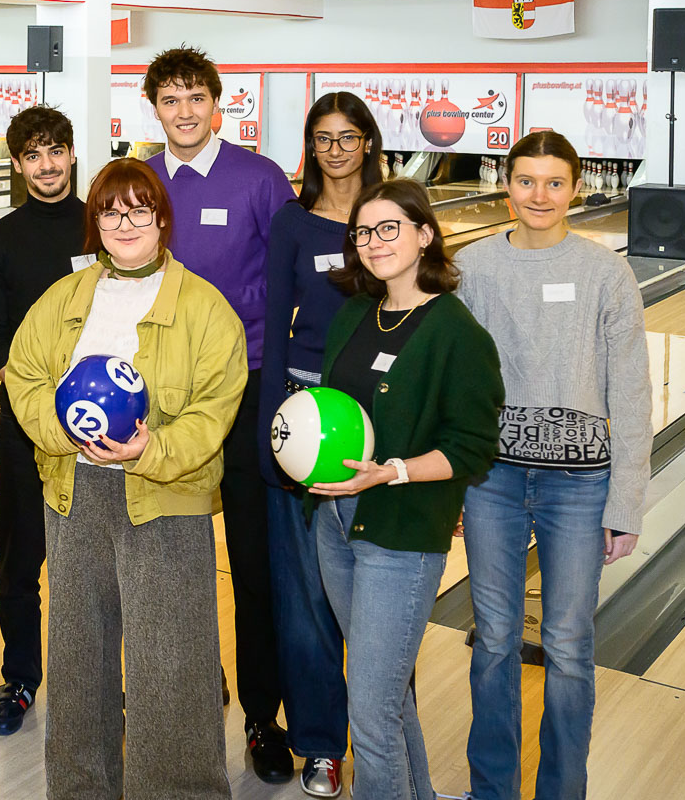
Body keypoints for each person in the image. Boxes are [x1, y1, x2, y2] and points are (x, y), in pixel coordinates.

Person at [4, 157, 247, 800]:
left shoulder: (204, 307)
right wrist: (61, 434)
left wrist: (150, 449)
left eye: (140, 209)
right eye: (111, 212)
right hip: (74, 493)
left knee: (170, 661)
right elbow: (22, 374)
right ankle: (82, 788)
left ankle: (180, 792)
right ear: (96, 224)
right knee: (79, 658)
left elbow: (213, 410)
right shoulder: (67, 297)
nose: (125, 223)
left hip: (163, 498)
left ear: (163, 219)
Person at [455, 131, 651, 800]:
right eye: (526, 181)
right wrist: (449, 485)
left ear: (577, 188)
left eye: (554, 182)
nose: (539, 195)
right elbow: (454, 384)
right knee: (495, 642)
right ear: (506, 186)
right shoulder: (473, 267)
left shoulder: (607, 272)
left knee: (568, 648)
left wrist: (627, 502)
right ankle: (493, 791)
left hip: (581, 485)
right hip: (492, 481)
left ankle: (563, 792)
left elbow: (630, 389)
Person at [308, 179, 503, 800]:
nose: (373, 242)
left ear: (425, 235)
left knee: (369, 714)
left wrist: (391, 470)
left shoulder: (457, 334)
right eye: (363, 232)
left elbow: (472, 448)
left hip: (402, 533)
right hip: (335, 524)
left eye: (390, 227)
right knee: (388, 699)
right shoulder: (354, 314)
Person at [142, 45, 295, 779]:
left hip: (249, 389)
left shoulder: (259, 179)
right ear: (155, 108)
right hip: (162, 398)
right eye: (170, 99)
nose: (184, 111)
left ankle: (264, 718)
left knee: (254, 564)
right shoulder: (142, 179)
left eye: (195, 97)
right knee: (171, 559)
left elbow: (294, 278)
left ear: (217, 102)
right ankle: (194, 683)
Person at [257, 90, 383, 797]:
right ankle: (319, 746)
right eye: (324, 138)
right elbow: (275, 328)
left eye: (349, 136)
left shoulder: (393, 212)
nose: (337, 149)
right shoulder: (292, 222)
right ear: (312, 145)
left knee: (381, 596)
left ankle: (384, 738)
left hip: (380, 418)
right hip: (304, 423)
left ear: (368, 140)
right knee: (303, 599)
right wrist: (270, 429)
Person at [0, 104, 83, 737]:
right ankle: (20, 677)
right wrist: (41, 404)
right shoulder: (0, 239)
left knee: (97, 562)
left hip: (104, 428)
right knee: (18, 559)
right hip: (23, 424)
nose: (46, 165)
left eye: (56, 151)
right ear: (17, 165)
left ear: (71, 153)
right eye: (33, 155)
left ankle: (103, 677)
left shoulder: (103, 226)